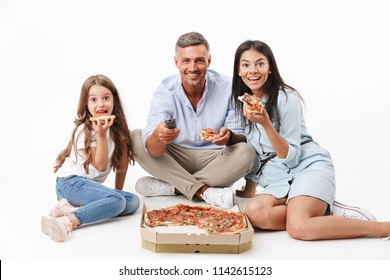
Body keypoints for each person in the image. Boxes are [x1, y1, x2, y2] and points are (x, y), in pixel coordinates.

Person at [231, 40, 390, 240]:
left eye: (260, 63)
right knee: (254, 213)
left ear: (270, 68)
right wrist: (250, 188)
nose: (253, 71)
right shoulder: (244, 102)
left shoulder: (287, 98)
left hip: (307, 166)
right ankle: (321, 212)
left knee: (299, 228)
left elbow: (291, 157)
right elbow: (255, 149)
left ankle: (383, 228)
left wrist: (266, 124)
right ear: (238, 70)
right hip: (280, 180)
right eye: (246, 65)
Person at [131, 32, 256, 208]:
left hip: (215, 158)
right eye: (186, 61)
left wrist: (229, 137)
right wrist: (159, 136)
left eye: (199, 60)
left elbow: (239, 137)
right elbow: (154, 151)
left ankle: (174, 187)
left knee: (247, 152)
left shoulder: (228, 87)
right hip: (175, 157)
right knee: (135, 137)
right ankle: (205, 191)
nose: (193, 67)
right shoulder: (165, 90)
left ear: (209, 61)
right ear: (176, 62)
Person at [41, 74, 140, 242]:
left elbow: (122, 167)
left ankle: (67, 209)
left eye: (106, 98)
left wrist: (118, 193)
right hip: (69, 183)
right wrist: (100, 134)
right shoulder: (84, 130)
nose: (100, 104)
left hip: (87, 187)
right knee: (117, 201)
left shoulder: (118, 131)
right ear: (86, 105)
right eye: (93, 100)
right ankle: (66, 222)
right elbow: (100, 166)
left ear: (114, 101)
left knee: (132, 202)